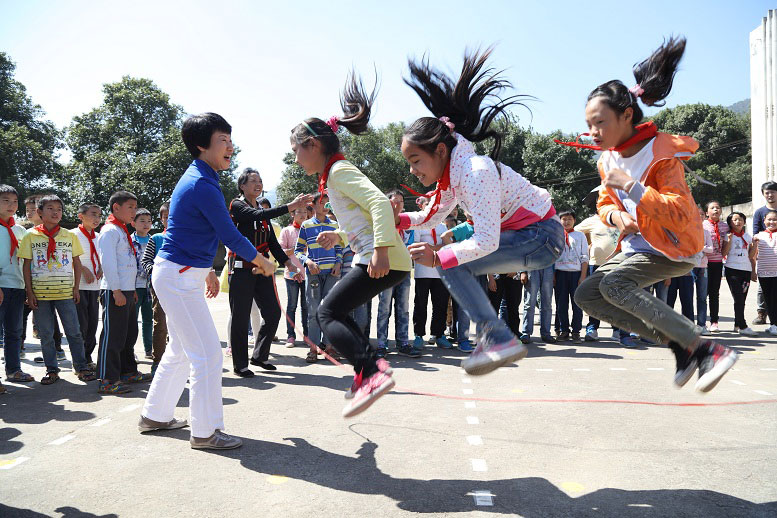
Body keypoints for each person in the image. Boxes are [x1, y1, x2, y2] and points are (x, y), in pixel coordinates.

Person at [567, 37, 736, 393]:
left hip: (676, 246)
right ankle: (683, 347)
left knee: (614, 285)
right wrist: (615, 217)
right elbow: (603, 204)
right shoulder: (607, 159)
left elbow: (679, 212)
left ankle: (708, 348)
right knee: (588, 295)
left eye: (600, 122)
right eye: (589, 124)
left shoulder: (660, 154)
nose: (593, 132)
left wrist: (632, 187)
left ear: (627, 115)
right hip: (639, 248)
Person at [399, 48, 562, 376]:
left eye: (416, 161)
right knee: (450, 264)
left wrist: (437, 256)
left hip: (542, 236)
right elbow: (429, 216)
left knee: (447, 262)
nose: (413, 172)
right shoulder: (452, 177)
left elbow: (486, 240)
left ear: (440, 150)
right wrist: (398, 218)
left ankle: (499, 338)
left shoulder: (474, 171)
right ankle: (498, 337)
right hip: (528, 237)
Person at [139, 112, 275, 449]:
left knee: (181, 351)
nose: (230, 146)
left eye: (230, 140)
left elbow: (196, 232)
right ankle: (206, 432)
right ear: (201, 145)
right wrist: (261, 260)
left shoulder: (203, 178)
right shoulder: (201, 182)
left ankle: (155, 415)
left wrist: (209, 272)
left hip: (181, 275)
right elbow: (227, 232)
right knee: (208, 356)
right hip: (178, 277)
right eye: (222, 141)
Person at [290, 73, 411, 417]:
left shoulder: (340, 171)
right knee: (337, 311)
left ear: (312, 145)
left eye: (296, 151)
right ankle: (372, 369)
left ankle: (371, 373)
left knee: (326, 312)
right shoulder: (334, 175)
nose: (296, 160)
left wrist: (381, 250)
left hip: (380, 257)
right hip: (374, 254)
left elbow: (379, 204)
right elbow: (362, 218)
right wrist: (340, 236)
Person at [228, 168, 307, 377]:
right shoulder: (237, 206)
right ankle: (240, 364)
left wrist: (289, 265)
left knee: (272, 312)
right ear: (242, 186)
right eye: (253, 181)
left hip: (262, 270)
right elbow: (257, 215)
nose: (258, 184)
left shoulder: (261, 212)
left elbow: (272, 241)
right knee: (240, 316)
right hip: (241, 269)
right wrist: (291, 206)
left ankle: (260, 356)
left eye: (260, 180)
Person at [19, 194, 96, 385]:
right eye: (50, 208)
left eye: (59, 209)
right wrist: (29, 292)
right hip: (41, 295)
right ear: (39, 212)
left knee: (74, 332)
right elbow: (26, 266)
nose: (55, 212)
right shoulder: (30, 236)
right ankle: (52, 370)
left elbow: (76, 264)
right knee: (46, 335)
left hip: (66, 293)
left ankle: (81, 367)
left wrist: (76, 288)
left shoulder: (69, 236)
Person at [97, 190, 150, 393]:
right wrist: (117, 290)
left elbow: (127, 263)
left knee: (128, 334)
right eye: (131, 207)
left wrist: (130, 290)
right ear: (116, 208)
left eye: (135, 207)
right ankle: (107, 379)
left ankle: (127, 371)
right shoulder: (110, 231)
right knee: (113, 336)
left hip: (127, 290)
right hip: (113, 290)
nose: (134, 212)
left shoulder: (122, 230)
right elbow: (108, 263)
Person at [295, 192, 342, 363]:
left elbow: (339, 248)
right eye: (322, 202)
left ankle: (329, 347)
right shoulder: (306, 226)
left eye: (327, 202)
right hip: (313, 275)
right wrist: (308, 262)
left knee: (330, 311)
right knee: (313, 312)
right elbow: (298, 251)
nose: (325, 205)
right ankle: (313, 348)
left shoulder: (335, 225)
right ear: (313, 206)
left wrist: (338, 263)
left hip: (332, 274)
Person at [574, 186, 621, 342]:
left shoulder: (621, 217)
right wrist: (587, 244)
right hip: (596, 265)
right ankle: (592, 328)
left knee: (616, 297)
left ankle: (617, 330)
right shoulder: (591, 221)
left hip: (619, 264)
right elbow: (573, 233)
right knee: (595, 298)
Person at [376, 189, 418, 358]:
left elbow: (411, 244)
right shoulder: (382, 221)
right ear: (387, 203)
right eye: (394, 201)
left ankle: (403, 343)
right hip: (386, 270)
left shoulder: (407, 223)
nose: (398, 204)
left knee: (403, 308)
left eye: (401, 201)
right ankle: (381, 344)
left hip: (404, 271)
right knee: (384, 308)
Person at [0, 185, 32, 385]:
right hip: (1, 286)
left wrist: (28, 288)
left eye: (14, 201)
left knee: (14, 332)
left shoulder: (20, 230)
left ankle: (14, 370)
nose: (11, 205)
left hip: (18, 287)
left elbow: (26, 261)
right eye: (5, 200)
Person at [410, 195, 451, 351]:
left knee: (440, 305)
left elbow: (446, 246)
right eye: (428, 204)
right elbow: (418, 246)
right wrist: (436, 247)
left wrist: (431, 248)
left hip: (440, 271)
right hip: (422, 271)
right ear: (423, 207)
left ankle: (439, 334)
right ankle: (419, 335)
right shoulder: (419, 225)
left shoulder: (442, 227)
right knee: (420, 304)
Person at [140, 201, 170, 376]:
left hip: (181, 289)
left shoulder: (185, 239)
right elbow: (146, 261)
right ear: (161, 219)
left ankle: (179, 362)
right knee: (161, 324)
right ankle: (158, 361)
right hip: (160, 288)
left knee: (180, 327)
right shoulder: (156, 238)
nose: (170, 220)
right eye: (166, 217)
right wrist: (158, 273)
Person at [73, 202, 103, 370]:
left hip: (95, 287)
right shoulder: (72, 235)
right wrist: (83, 269)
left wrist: (102, 269)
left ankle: (88, 357)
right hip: (79, 286)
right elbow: (67, 258)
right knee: (81, 325)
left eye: (99, 215)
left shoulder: (99, 237)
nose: (97, 218)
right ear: (81, 216)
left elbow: (101, 257)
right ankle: (79, 361)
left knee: (92, 325)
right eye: (93, 214)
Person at [553, 211, 588, 343]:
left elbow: (585, 257)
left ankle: (576, 331)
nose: (567, 222)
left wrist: (583, 276)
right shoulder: (556, 235)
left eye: (569, 219)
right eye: (564, 219)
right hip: (560, 273)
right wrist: (553, 275)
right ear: (560, 221)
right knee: (561, 304)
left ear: (574, 220)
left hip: (576, 274)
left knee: (577, 304)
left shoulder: (580, 236)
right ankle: (563, 330)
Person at [721, 212, 756, 336]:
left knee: (743, 299)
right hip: (732, 270)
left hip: (745, 271)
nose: (738, 222)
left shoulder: (747, 236)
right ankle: (743, 325)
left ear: (744, 222)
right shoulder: (728, 236)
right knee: (738, 298)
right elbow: (723, 253)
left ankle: (737, 324)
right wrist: (729, 241)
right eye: (735, 220)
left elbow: (750, 256)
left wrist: (755, 245)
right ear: (730, 223)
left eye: (740, 219)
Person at [279, 206, 308, 347]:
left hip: (308, 274)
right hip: (291, 274)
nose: (303, 215)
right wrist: (297, 248)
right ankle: (290, 336)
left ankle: (308, 336)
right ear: (292, 214)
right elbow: (281, 252)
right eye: (299, 212)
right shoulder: (286, 231)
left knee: (307, 306)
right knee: (292, 305)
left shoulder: (310, 229)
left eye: (305, 212)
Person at [751, 181, 777, 326]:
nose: (770, 195)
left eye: (772, 192)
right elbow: (755, 233)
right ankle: (762, 313)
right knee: (763, 288)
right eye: (767, 192)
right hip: (766, 254)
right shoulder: (759, 212)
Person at [132, 208, 154, 360]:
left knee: (149, 320)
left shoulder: (155, 240)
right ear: (133, 223)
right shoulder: (128, 241)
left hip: (150, 286)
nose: (146, 224)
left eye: (149, 221)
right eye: (142, 221)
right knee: (131, 321)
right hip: (133, 286)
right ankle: (129, 350)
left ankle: (149, 349)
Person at [703, 200, 728, 332]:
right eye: (712, 208)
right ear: (707, 212)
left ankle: (714, 321)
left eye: (718, 208)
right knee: (703, 294)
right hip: (703, 265)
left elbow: (726, 246)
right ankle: (701, 322)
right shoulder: (703, 225)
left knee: (714, 293)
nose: (716, 210)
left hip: (717, 264)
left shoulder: (724, 226)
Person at [694, 206, 714, 333]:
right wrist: (703, 248)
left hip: (702, 267)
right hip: (688, 267)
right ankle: (689, 325)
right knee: (687, 298)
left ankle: (702, 324)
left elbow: (711, 249)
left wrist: (700, 248)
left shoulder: (706, 232)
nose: (699, 216)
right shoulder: (687, 230)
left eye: (702, 214)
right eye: (696, 214)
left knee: (702, 297)